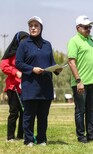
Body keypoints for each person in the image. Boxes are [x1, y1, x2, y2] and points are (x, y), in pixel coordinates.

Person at [16, 16, 62, 146]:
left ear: (41, 28)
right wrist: (32, 69)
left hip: (45, 86)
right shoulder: (24, 44)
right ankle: (28, 140)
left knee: (43, 116)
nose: (33, 28)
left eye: (36, 25)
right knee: (29, 116)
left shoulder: (47, 45)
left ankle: (42, 139)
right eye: (31, 26)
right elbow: (18, 63)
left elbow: (51, 62)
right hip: (30, 86)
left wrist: (57, 68)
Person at [67, 15, 93, 143]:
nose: (89, 29)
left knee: (91, 110)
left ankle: (91, 135)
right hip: (81, 83)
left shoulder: (91, 41)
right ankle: (81, 136)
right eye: (86, 27)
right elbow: (71, 62)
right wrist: (78, 81)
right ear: (78, 27)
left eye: (90, 27)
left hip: (92, 82)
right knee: (80, 111)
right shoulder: (74, 41)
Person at [1, 31, 29, 142]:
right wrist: (15, 72)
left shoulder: (27, 52)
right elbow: (3, 66)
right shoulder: (11, 52)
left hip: (26, 87)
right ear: (18, 40)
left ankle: (21, 135)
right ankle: (10, 137)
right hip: (13, 88)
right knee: (14, 112)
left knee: (25, 112)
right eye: (23, 40)